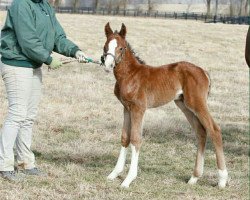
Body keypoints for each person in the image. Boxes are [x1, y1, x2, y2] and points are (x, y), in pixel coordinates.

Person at [0, 0, 88, 181]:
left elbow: (57, 36)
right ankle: (4, 165)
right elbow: (27, 40)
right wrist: (47, 59)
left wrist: (75, 51)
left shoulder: (45, 6)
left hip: (33, 64)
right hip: (17, 63)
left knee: (28, 116)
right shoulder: (21, 5)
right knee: (17, 114)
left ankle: (25, 163)